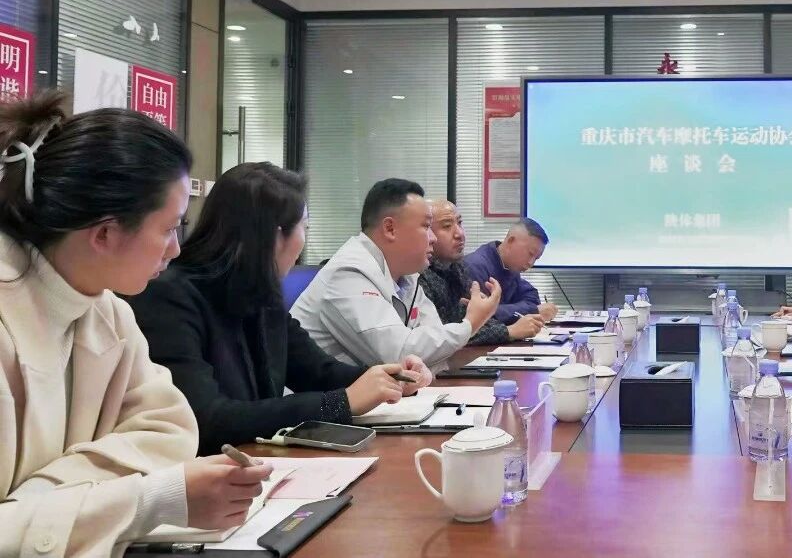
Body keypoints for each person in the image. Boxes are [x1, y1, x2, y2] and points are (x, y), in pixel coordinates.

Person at [0, 92, 271, 556]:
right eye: (169, 228)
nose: (176, 249)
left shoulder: (107, 310)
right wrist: (146, 500)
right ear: (105, 233)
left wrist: (47, 496)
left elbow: (171, 429)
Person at [128, 163, 431, 456]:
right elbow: (206, 419)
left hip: (258, 464)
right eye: (304, 227)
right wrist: (341, 402)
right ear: (274, 236)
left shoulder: (260, 294)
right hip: (208, 474)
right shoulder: (168, 297)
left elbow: (318, 372)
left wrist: (390, 379)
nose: (304, 241)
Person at [292, 179, 502, 371]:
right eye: (426, 226)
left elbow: (435, 351)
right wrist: (471, 323)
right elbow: (399, 353)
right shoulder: (348, 273)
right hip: (319, 399)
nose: (433, 238)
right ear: (390, 228)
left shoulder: (408, 276)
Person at [419, 200, 546, 345]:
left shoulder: (456, 268)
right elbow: (444, 334)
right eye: (447, 226)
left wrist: (488, 314)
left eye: (460, 223)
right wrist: (509, 331)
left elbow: (471, 322)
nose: (460, 233)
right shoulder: (421, 274)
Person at [464, 218, 558, 325]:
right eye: (530, 254)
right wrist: (532, 311)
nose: (531, 263)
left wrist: (498, 310)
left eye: (536, 258)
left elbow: (532, 298)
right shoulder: (474, 267)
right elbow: (483, 319)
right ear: (511, 241)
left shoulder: (511, 266)